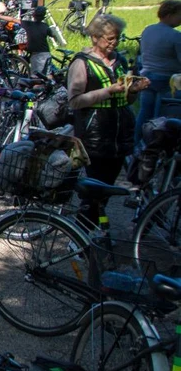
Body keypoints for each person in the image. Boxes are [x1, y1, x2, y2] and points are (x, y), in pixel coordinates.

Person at [67, 14, 148, 226]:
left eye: (117, 38)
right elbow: (74, 101)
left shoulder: (119, 61)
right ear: (95, 37)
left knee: (107, 188)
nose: (114, 43)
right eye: (109, 38)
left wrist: (134, 91)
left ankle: (97, 227)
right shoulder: (81, 63)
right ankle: (81, 233)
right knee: (93, 190)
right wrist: (108, 91)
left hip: (119, 134)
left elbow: (127, 98)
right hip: (93, 135)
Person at [136, 0, 181, 138]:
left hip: (146, 76)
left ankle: (137, 143)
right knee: (160, 116)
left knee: (144, 113)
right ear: (169, 15)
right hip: (166, 79)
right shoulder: (175, 36)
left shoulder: (148, 30)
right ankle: (155, 144)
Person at [23, 6, 63, 76]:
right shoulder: (45, 26)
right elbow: (53, 35)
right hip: (45, 53)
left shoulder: (28, 24)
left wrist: (0, 16)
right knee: (47, 74)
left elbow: (13, 19)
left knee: (38, 76)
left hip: (38, 54)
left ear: (33, 15)